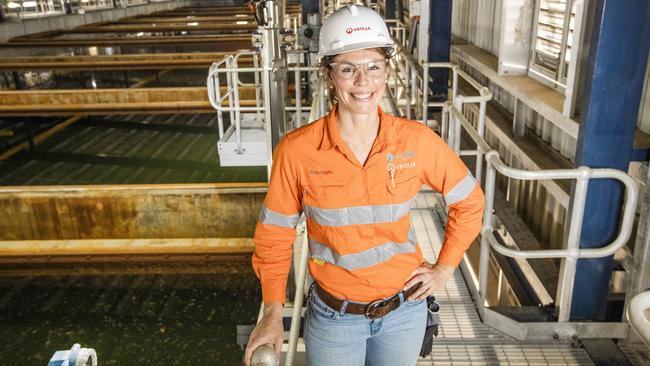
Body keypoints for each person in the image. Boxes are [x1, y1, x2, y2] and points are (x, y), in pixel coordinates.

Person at [244, 5, 484, 366]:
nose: (362, 82)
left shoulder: (415, 141)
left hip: (405, 314)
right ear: (328, 75)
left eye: (373, 66)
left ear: (387, 70)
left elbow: (470, 202)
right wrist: (272, 313)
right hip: (334, 320)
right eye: (347, 69)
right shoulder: (297, 151)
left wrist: (444, 268)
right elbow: (275, 237)